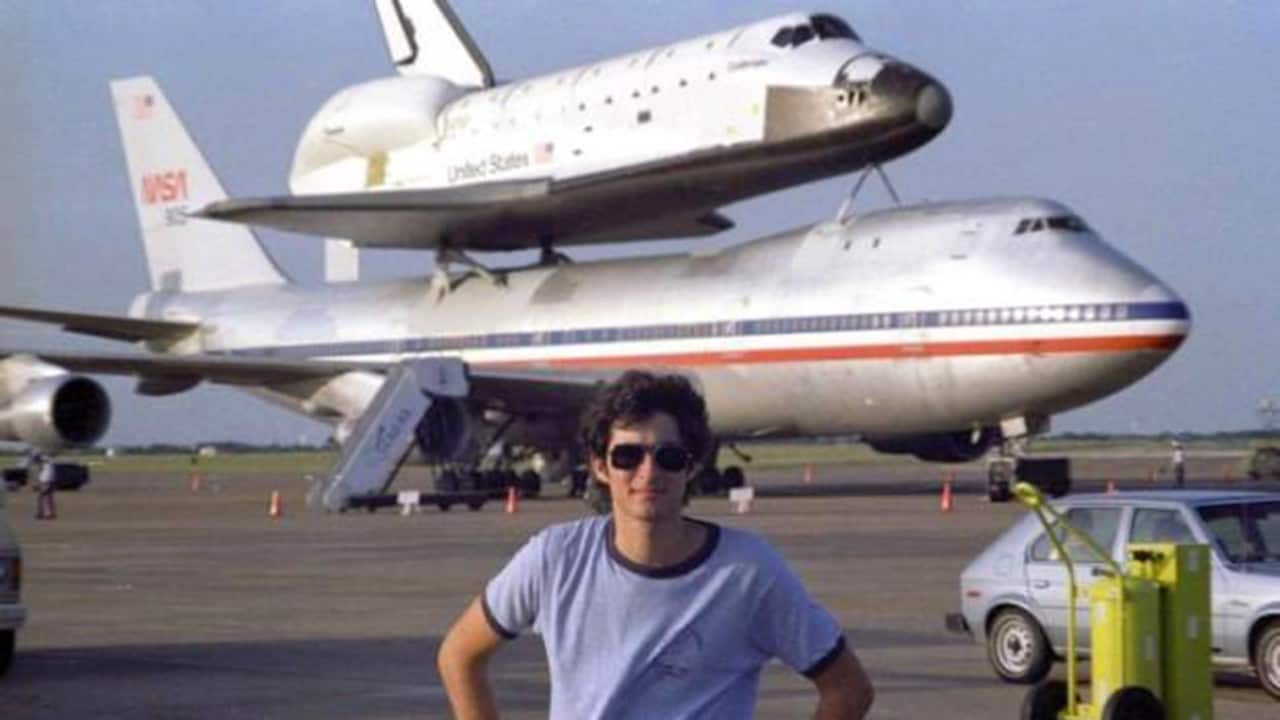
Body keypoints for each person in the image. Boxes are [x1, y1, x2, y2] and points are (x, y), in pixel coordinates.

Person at [438, 371, 874, 719]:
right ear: (599, 466)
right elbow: (459, 656)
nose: (648, 473)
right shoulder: (554, 559)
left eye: (668, 457)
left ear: (693, 465)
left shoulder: (747, 572)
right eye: (627, 456)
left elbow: (848, 689)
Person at [34, 456, 57, 520]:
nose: (38, 463)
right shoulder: (47, 466)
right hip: (48, 483)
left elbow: (45, 477)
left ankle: (47, 514)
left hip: (46, 483)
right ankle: (48, 513)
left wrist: (43, 485)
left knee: (44, 499)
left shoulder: (47, 466)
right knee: (48, 499)